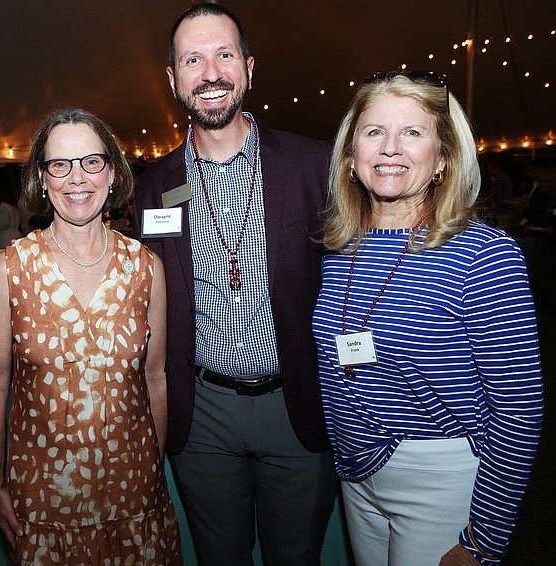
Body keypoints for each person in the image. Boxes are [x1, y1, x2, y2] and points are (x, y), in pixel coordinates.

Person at [313, 71, 543, 565]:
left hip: (438, 478)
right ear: (351, 156)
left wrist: (483, 539)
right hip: (354, 471)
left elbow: (519, 410)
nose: (390, 148)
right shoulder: (341, 246)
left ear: (442, 159)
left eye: (412, 132)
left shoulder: (484, 255)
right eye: (374, 131)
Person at [133, 4, 335, 565]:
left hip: (295, 405)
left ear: (248, 67)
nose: (210, 73)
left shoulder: (313, 165)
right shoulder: (155, 185)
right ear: (173, 78)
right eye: (192, 60)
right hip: (202, 414)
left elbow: (358, 269)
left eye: (224, 55)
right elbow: (134, 280)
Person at [0, 106, 182, 564]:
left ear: (112, 172)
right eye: (60, 165)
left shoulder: (146, 268)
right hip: (43, 503)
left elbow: (155, 378)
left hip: (134, 500)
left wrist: (154, 471)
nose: (77, 178)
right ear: (42, 179)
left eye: (91, 161)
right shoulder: (10, 270)